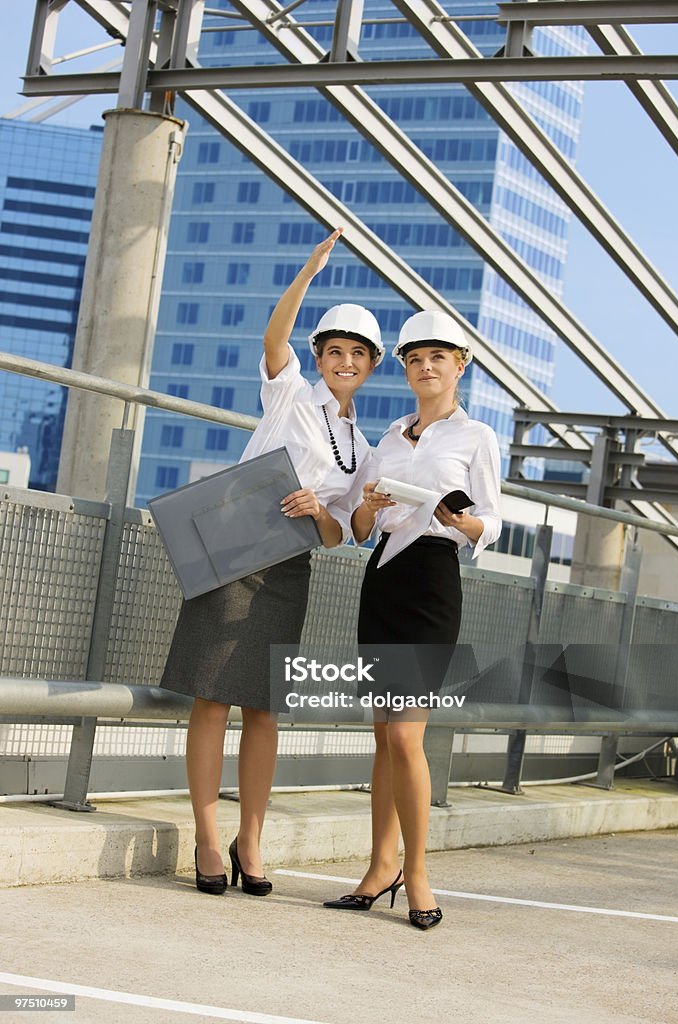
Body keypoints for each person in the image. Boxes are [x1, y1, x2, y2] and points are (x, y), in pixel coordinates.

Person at [160, 229, 384, 897]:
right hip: (231, 549)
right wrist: (309, 273)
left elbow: (341, 535)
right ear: (320, 356)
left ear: (371, 366)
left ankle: (248, 838)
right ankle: (205, 836)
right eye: (334, 350)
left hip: (289, 567)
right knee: (211, 697)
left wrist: (319, 510)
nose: (344, 361)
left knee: (263, 708)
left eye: (357, 354)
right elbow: (273, 339)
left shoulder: (362, 449)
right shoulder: (289, 392)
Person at [323, 309, 501, 930]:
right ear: (404, 368)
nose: (426, 368)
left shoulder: (476, 436)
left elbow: (493, 523)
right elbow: (359, 531)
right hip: (383, 579)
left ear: (460, 366)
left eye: (439, 359)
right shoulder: (389, 440)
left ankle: (418, 872)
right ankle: (380, 866)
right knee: (382, 737)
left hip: (432, 580)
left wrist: (461, 521)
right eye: (415, 359)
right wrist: (368, 505)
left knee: (406, 735)